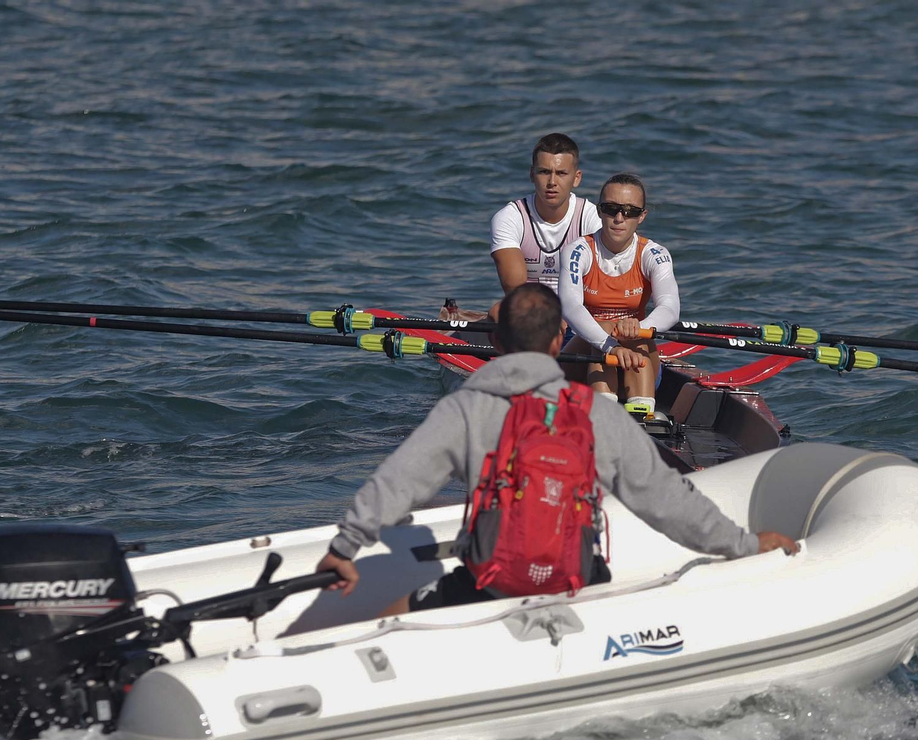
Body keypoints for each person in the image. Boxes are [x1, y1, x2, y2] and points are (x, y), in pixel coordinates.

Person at [318, 283, 797, 613]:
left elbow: (399, 482)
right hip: (579, 577)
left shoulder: (468, 408)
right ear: (555, 343)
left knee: (393, 617)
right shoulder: (595, 412)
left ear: (498, 341)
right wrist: (744, 544)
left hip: (489, 583)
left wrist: (344, 548)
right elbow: (667, 499)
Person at [441, 133, 602, 324]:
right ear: (532, 174)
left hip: (579, 318)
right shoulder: (509, 218)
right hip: (530, 315)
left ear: (576, 178)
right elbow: (515, 288)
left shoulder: (592, 218)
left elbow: (603, 286)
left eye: (561, 173)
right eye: (544, 172)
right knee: (499, 311)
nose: (552, 182)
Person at [557, 173, 676, 412]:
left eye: (630, 211)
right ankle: (606, 414)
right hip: (582, 360)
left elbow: (670, 308)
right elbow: (570, 306)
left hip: (635, 353)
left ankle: (640, 417)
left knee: (634, 336)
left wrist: (641, 327)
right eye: (611, 209)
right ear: (600, 211)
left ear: (641, 216)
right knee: (605, 328)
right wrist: (609, 345)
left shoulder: (654, 254)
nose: (619, 218)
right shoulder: (578, 251)